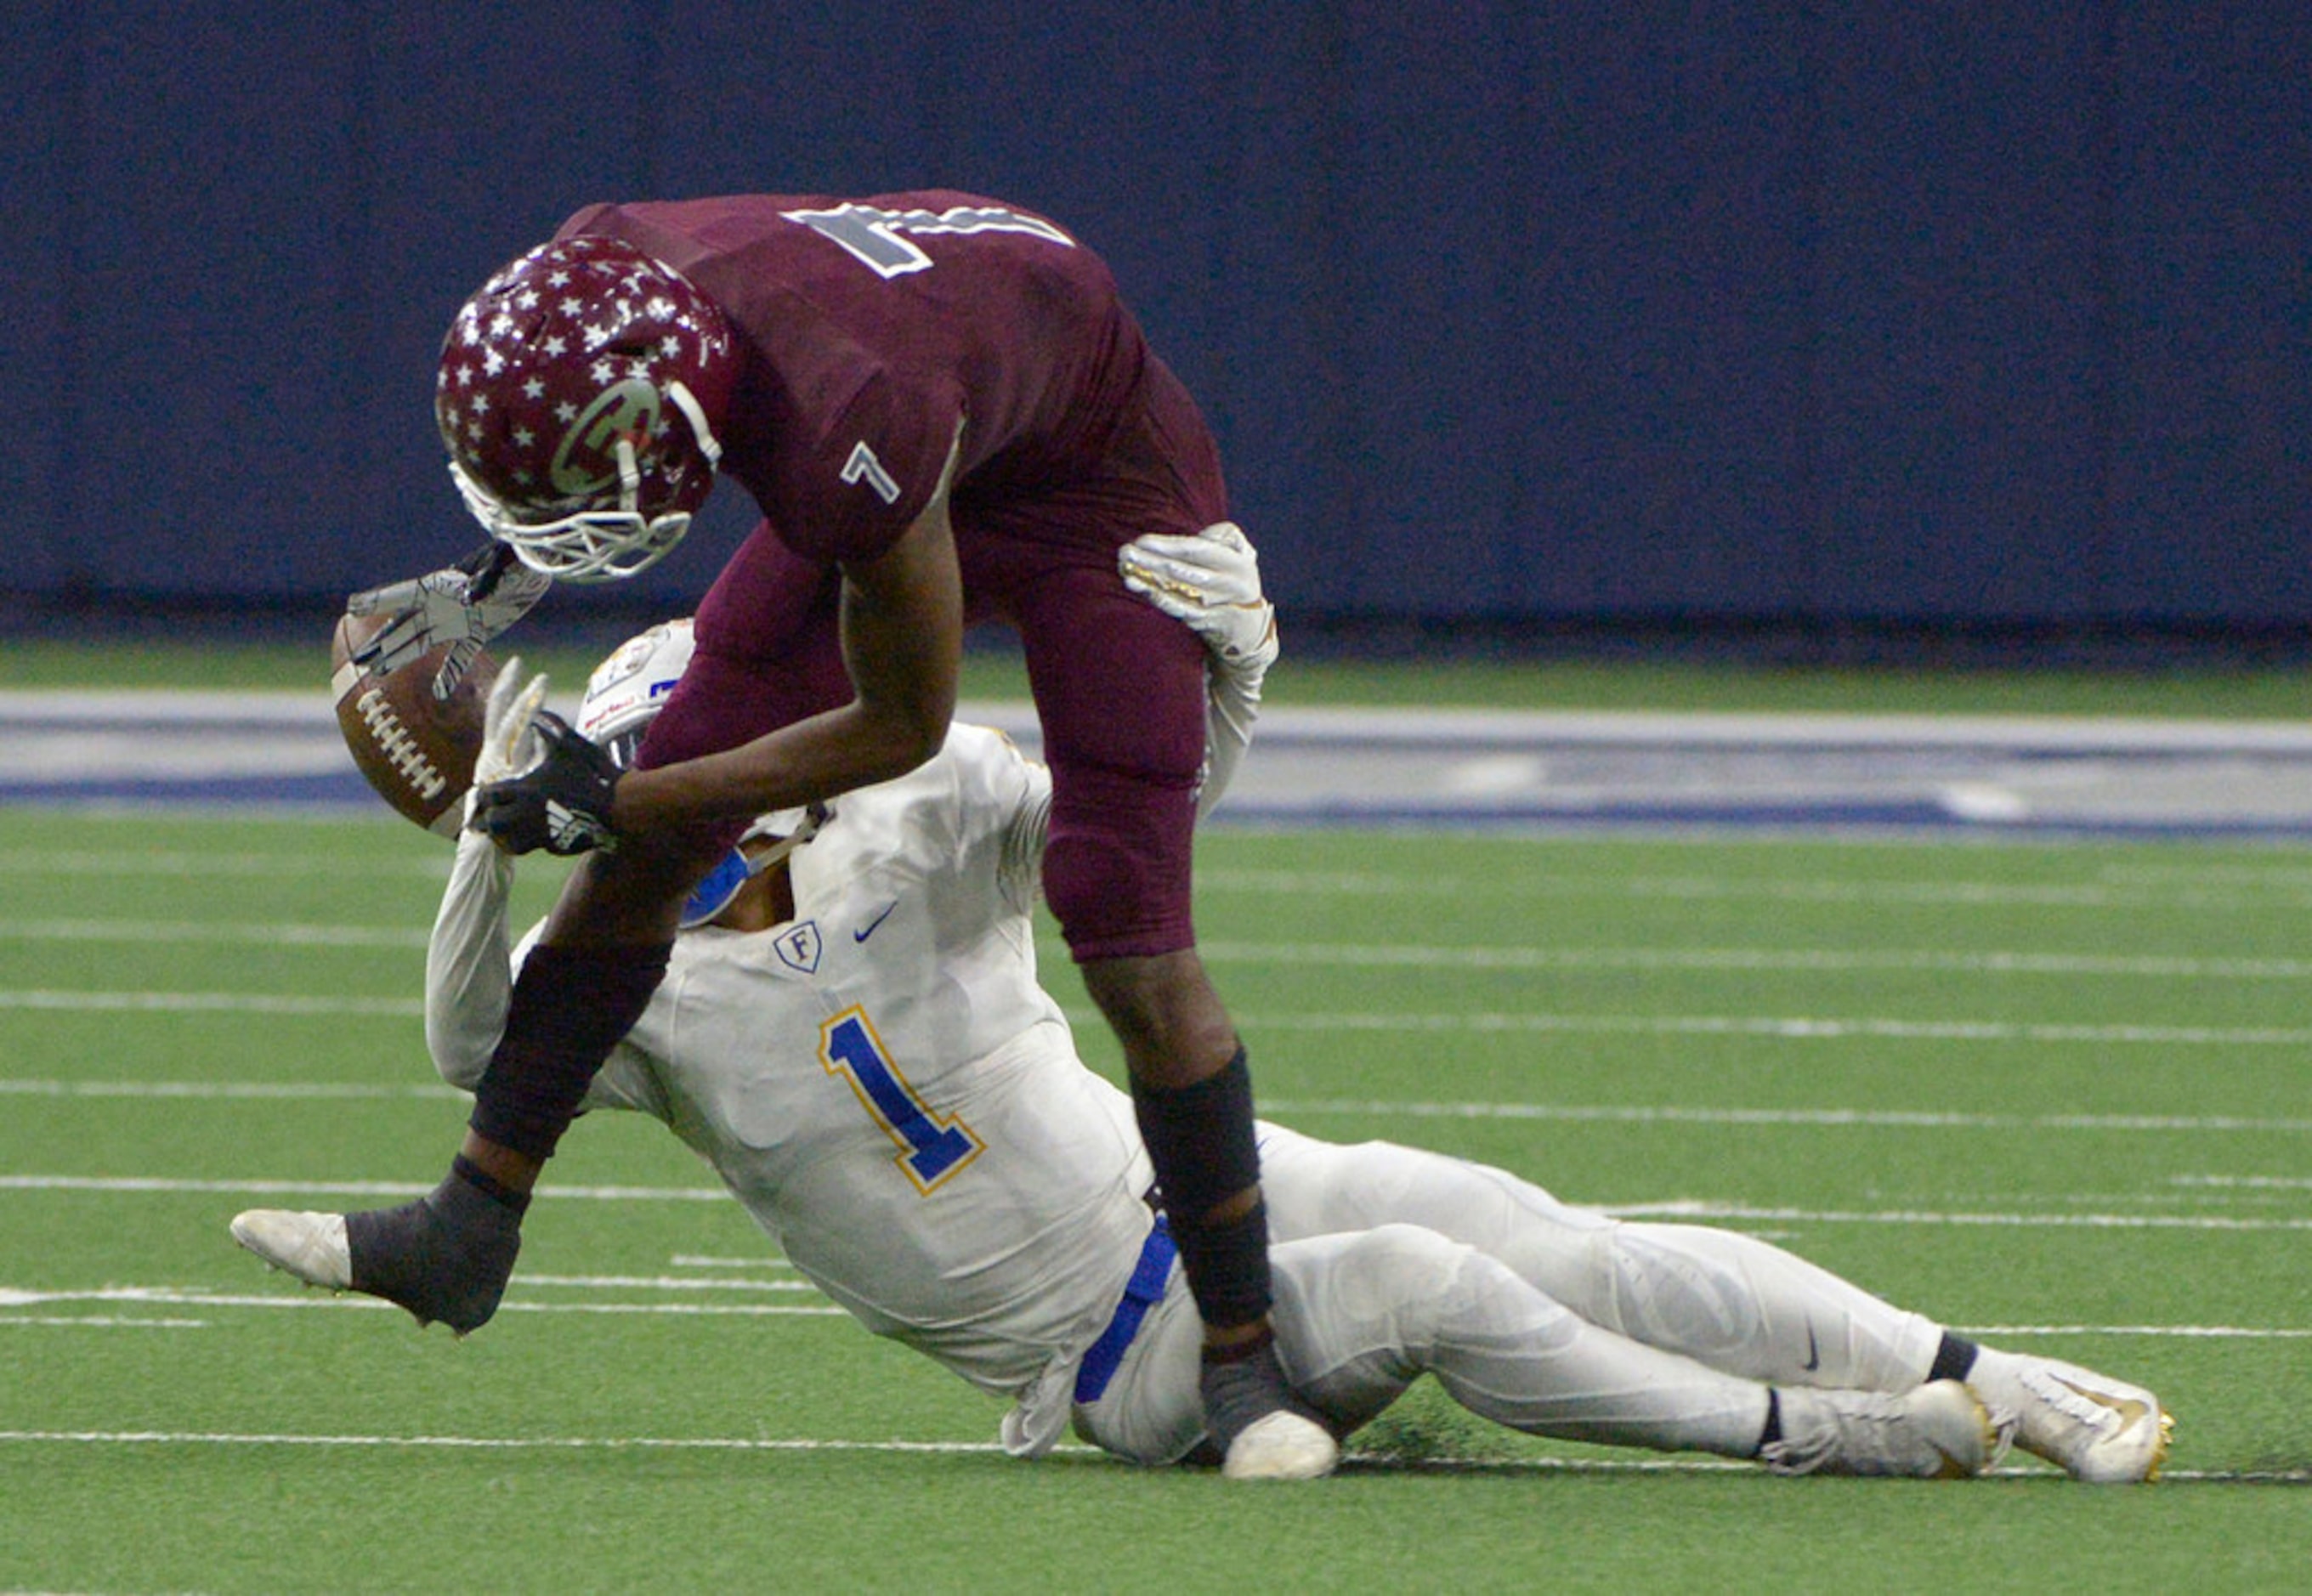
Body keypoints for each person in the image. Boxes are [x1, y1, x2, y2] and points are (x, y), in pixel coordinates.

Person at [235, 618, 2173, 1485]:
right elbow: (470, 1047)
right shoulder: (624, 989)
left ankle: (2001, 1374)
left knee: (1519, 1220)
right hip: (1109, 1355)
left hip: (1178, 1190)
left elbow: (1134, 842)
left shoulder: (908, 809)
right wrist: (483, 839)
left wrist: (1219, 694)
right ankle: (1828, 1440)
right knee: (1424, 1280)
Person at [338, 193, 1323, 1474]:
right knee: (661, 847)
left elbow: (902, 724)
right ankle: (471, 1222)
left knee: (1122, 924)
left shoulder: (849, 412)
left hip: (1097, 482)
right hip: (938, 401)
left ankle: (1240, 1353)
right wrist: (504, 580)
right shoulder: (616, 263)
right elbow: (609, 408)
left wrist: (618, 796)